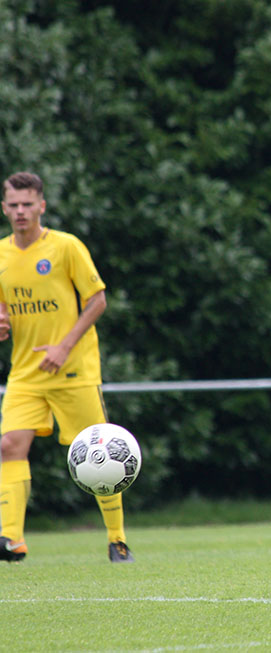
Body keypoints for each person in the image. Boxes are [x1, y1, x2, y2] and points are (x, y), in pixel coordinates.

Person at [0, 171, 133, 563]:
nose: (21, 211)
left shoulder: (65, 247)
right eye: (14, 204)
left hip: (74, 369)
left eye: (28, 204)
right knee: (9, 445)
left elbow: (97, 300)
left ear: (42, 205)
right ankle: (11, 539)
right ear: (4, 208)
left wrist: (63, 346)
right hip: (25, 371)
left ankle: (117, 539)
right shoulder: (2, 254)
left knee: (103, 452)